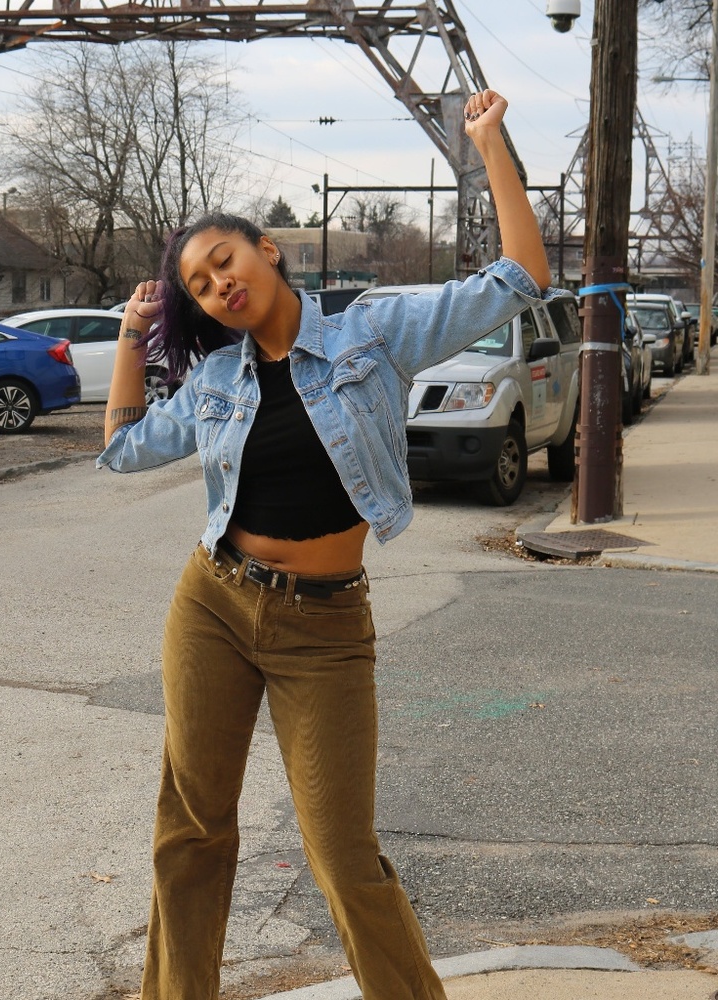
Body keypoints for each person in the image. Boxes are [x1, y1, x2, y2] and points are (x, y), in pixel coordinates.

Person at [98, 89, 553, 1000]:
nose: (220, 285)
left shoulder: (373, 334)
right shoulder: (219, 377)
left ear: (267, 250)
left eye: (225, 261)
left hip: (326, 627)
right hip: (216, 605)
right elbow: (122, 447)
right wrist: (127, 340)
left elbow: (518, 277)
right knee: (193, 827)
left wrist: (489, 145)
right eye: (200, 284)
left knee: (344, 854)